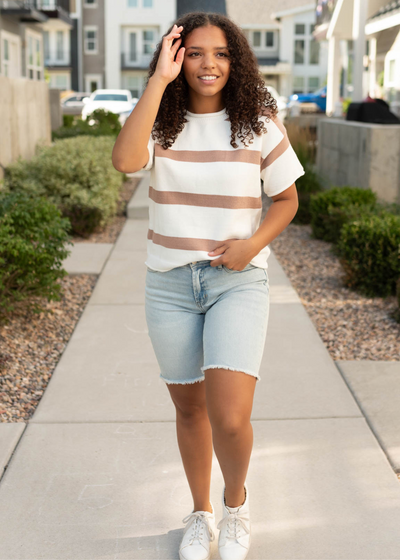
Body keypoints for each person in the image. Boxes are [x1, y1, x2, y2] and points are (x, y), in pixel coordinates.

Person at [112, 11, 304, 560]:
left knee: (230, 414)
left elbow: (287, 199)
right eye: (194, 52)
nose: (208, 64)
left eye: (219, 53)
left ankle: (236, 504)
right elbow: (125, 160)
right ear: (177, 57)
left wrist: (251, 246)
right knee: (190, 410)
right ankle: (200, 514)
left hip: (236, 282)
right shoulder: (160, 119)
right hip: (169, 285)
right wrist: (157, 81)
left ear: (235, 59)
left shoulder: (257, 121)